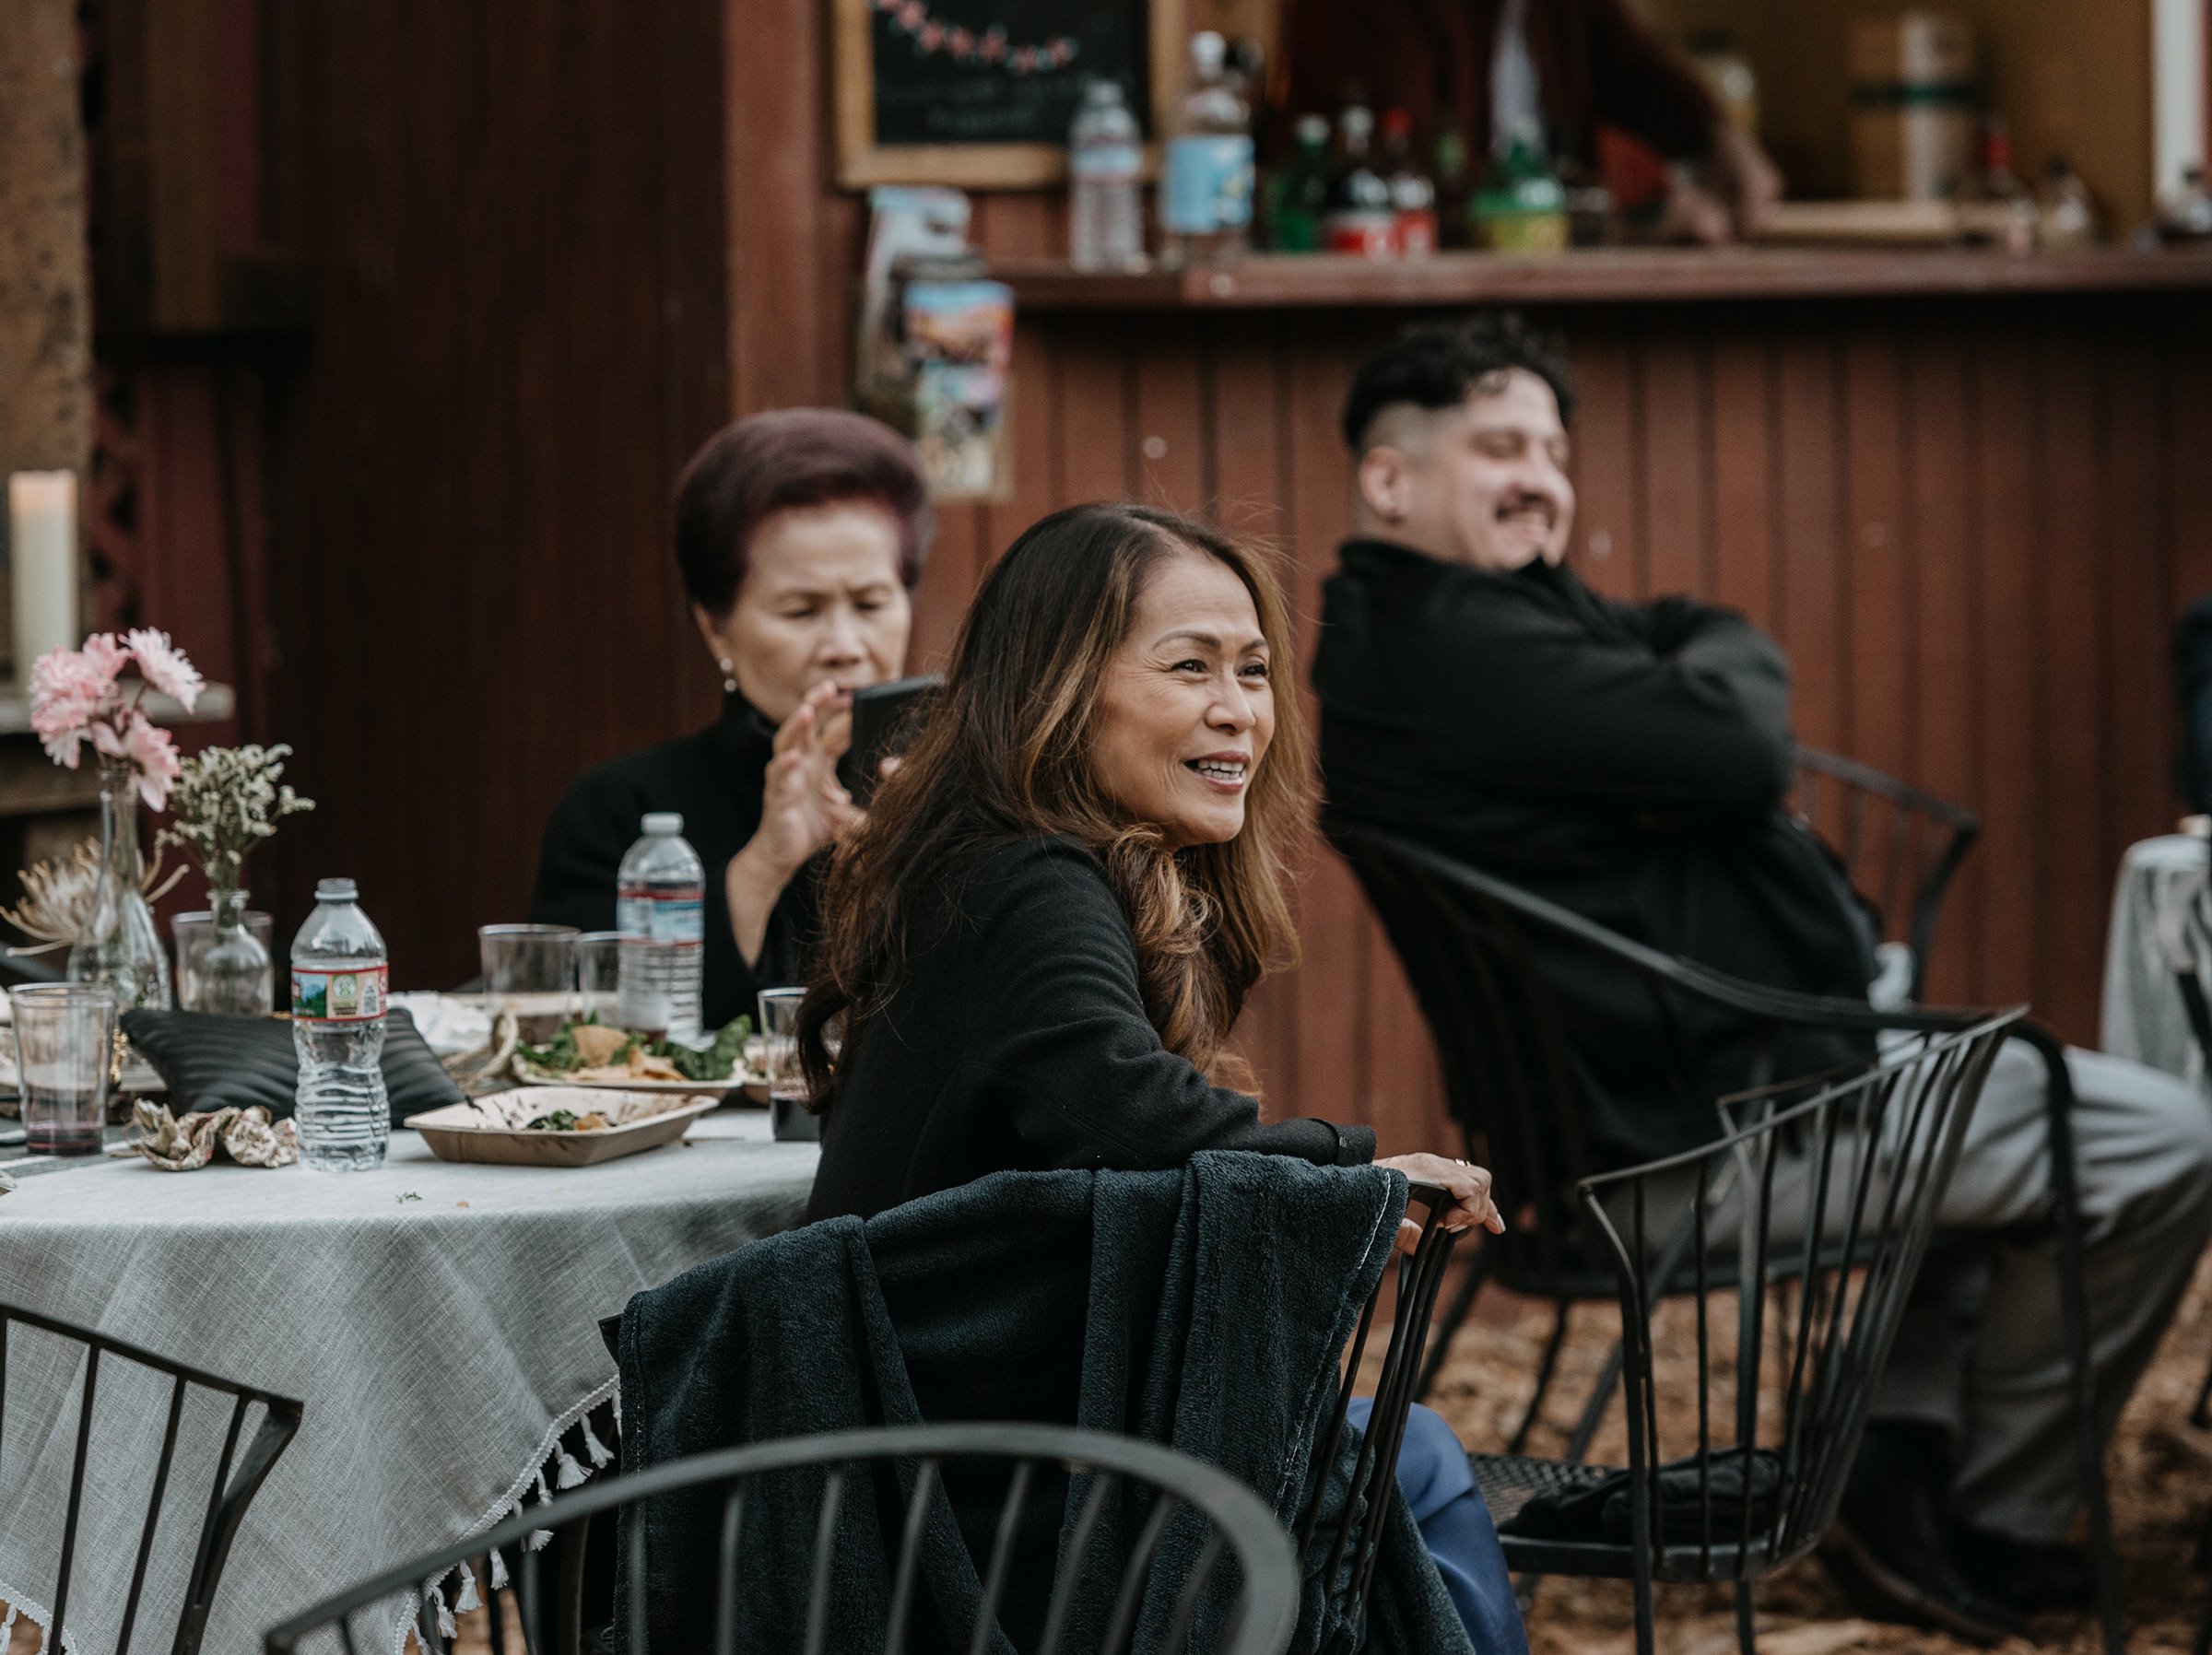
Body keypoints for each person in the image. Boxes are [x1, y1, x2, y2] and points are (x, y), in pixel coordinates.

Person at [1312, 312, 2212, 1642]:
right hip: (1694, 1144)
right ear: (1391, 480)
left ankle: (1898, 1464)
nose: (1542, 479)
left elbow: (1692, 654)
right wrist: (1711, 656)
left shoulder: (1461, 626)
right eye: (1501, 446)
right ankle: (1984, 1513)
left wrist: (1696, 647)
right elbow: (1736, 738)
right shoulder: (1453, 653)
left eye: (1556, 452)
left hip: (1704, 1096)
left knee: (2014, 1141)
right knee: (2169, 1141)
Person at [799, 500, 1528, 1654]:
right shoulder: (1030, 878)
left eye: (1252, 670)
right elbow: (1131, 1111)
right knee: (1411, 1465)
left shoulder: (1017, 866)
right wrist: (1358, 1177)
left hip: (963, 1444)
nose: (1239, 708)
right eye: (1188, 667)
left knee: (1405, 1459)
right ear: (1057, 688)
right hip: (971, 1498)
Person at [530, 408, 930, 1032]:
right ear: (716, 627)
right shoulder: (620, 812)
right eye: (802, 611)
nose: (845, 644)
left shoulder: (974, 790)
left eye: (871, 603)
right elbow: (593, 1035)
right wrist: (766, 862)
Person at [1279, 0, 1781, 242]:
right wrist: (1619, 225)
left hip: (1531, 290)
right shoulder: (1365, 12)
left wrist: (1722, 141)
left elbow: (1638, 75)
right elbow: (1410, 188)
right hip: (1406, 310)